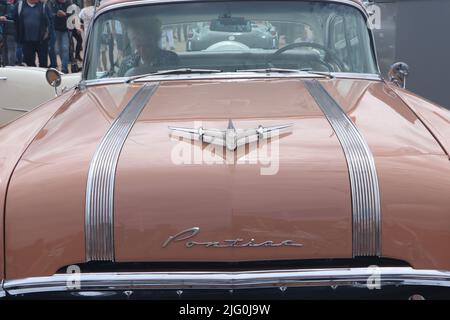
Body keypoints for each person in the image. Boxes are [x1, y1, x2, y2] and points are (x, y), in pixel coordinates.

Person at [5, 0, 51, 68]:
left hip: (42, 41)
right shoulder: (19, 5)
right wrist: (5, 17)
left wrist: (48, 34)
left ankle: (43, 78)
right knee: (30, 65)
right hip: (27, 41)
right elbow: (13, 16)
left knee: (43, 64)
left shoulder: (43, 6)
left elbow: (50, 21)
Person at [49, 0, 70, 73]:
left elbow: (73, 14)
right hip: (56, 28)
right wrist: (56, 15)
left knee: (65, 48)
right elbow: (49, 14)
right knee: (57, 49)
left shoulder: (69, 2)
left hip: (66, 29)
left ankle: (64, 68)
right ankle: (63, 64)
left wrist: (65, 14)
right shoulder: (52, 3)